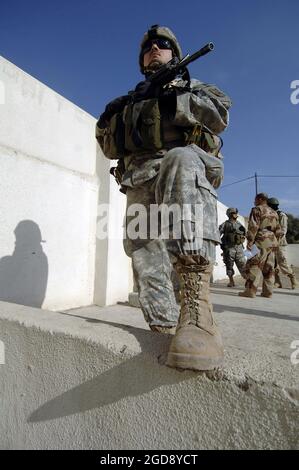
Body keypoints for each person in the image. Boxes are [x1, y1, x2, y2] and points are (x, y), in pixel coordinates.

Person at [96, 25, 232, 371]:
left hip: (185, 167)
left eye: (163, 45)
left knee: (180, 159)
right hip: (139, 178)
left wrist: (171, 100)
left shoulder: (194, 87)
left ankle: (199, 318)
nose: (154, 49)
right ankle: (165, 326)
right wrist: (120, 113)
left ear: (175, 53)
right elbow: (107, 141)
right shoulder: (132, 98)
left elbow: (219, 115)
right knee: (144, 254)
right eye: (148, 47)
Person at [239, 193, 281, 298]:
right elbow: (279, 230)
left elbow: (253, 226)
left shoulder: (257, 209)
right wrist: (275, 242)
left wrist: (250, 241)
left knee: (254, 264)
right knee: (269, 267)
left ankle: (250, 291)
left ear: (260, 199)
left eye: (255, 199)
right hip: (273, 241)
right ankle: (268, 292)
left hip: (261, 239)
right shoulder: (274, 212)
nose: (254, 202)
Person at [267, 197, 298, 289]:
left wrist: (276, 239)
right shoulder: (269, 215)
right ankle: (277, 281)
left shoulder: (281, 215)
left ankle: (293, 280)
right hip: (270, 243)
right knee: (273, 263)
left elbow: (283, 230)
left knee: (282, 262)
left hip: (279, 243)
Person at [219, 208, 247, 287]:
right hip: (229, 249)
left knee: (243, 265)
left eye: (236, 213)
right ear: (230, 214)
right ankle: (231, 281)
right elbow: (218, 233)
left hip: (239, 249)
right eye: (234, 213)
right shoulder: (225, 224)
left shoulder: (240, 224)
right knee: (229, 265)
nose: (236, 214)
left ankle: (248, 281)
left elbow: (244, 234)